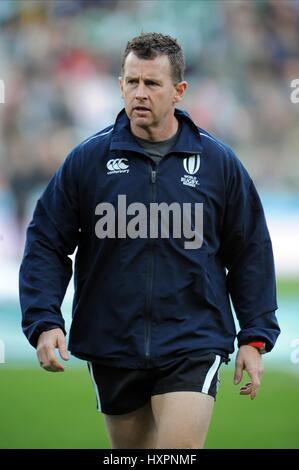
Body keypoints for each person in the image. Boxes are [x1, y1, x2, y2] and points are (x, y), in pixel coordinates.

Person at [19, 32, 280, 449]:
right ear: (120, 85)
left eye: (152, 83)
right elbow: (47, 243)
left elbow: (250, 252)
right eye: (131, 82)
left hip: (193, 338)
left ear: (179, 91)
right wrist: (44, 319)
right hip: (111, 340)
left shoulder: (218, 164)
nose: (140, 93)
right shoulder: (88, 161)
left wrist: (255, 336)